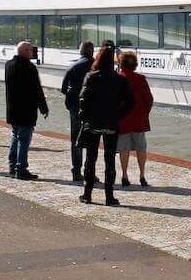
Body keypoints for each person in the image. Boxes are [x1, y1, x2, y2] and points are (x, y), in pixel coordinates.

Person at [77, 45, 133, 206]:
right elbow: (130, 101)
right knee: (109, 160)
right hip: (111, 123)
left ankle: (87, 194)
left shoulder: (91, 77)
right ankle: (109, 196)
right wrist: (119, 115)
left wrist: (84, 116)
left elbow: (83, 99)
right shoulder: (120, 79)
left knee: (91, 158)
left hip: (93, 123)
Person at [4, 41, 49, 180]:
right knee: (24, 140)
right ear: (24, 51)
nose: (32, 52)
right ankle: (21, 168)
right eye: (30, 50)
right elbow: (37, 89)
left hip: (12, 108)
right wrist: (43, 107)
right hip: (26, 110)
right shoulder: (29, 67)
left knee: (15, 136)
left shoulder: (8, 65)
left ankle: (12, 166)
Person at [117, 52, 153, 188]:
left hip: (123, 120)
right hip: (139, 119)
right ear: (135, 64)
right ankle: (142, 175)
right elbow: (149, 99)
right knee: (141, 147)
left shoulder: (118, 78)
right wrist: (144, 113)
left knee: (124, 148)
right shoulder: (141, 79)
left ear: (121, 64)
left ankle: (125, 175)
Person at [60, 41, 94, 182]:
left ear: (80, 52)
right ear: (92, 51)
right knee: (93, 140)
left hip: (75, 107)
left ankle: (76, 171)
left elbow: (63, 89)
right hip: (93, 107)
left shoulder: (72, 66)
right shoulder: (96, 66)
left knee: (76, 139)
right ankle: (89, 170)